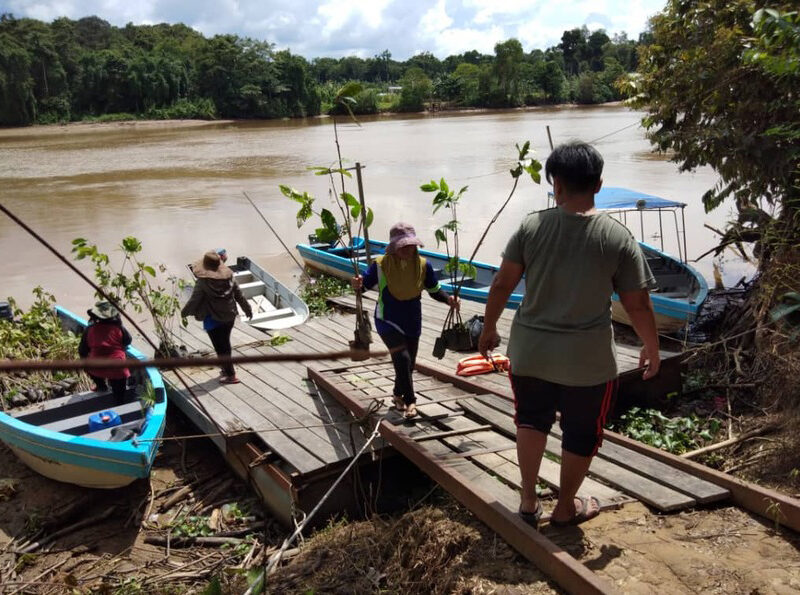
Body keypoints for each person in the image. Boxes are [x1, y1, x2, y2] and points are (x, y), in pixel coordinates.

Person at [478, 141, 660, 528]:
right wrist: (651, 346)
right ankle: (564, 508)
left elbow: (501, 285)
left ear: (556, 185)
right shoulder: (617, 237)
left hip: (531, 352)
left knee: (530, 420)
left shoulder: (531, 226)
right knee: (580, 432)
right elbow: (638, 304)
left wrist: (490, 327)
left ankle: (528, 502)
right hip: (588, 364)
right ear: (598, 184)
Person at [352, 223, 459, 419]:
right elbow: (364, 286)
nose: (408, 250)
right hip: (387, 319)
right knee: (402, 358)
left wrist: (448, 299)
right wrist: (357, 283)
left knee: (408, 365)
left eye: (411, 245)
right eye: (403, 246)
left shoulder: (423, 265)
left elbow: (434, 290)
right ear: (394, 247)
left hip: (412, 318)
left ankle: (397, 395)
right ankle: (411, 401)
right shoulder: (380, 264)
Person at [182, 250, 253, 384]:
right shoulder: (230, 277)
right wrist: (247, 309)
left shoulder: (203, 282)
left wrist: (183, 313)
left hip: (213, 318)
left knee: (221, 347)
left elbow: (194, 300)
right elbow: (239, 295)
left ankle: (231, 375)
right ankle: (226, 369)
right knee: (225, 343)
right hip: (229, 316)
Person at [79, 301, 132, 404]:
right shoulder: (119, 328)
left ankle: (101, 386)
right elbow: (127, 341)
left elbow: (82, 351)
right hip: (118, 370)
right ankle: (119, 402)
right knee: (119, 397)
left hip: (97, 368)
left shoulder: (89, 330)